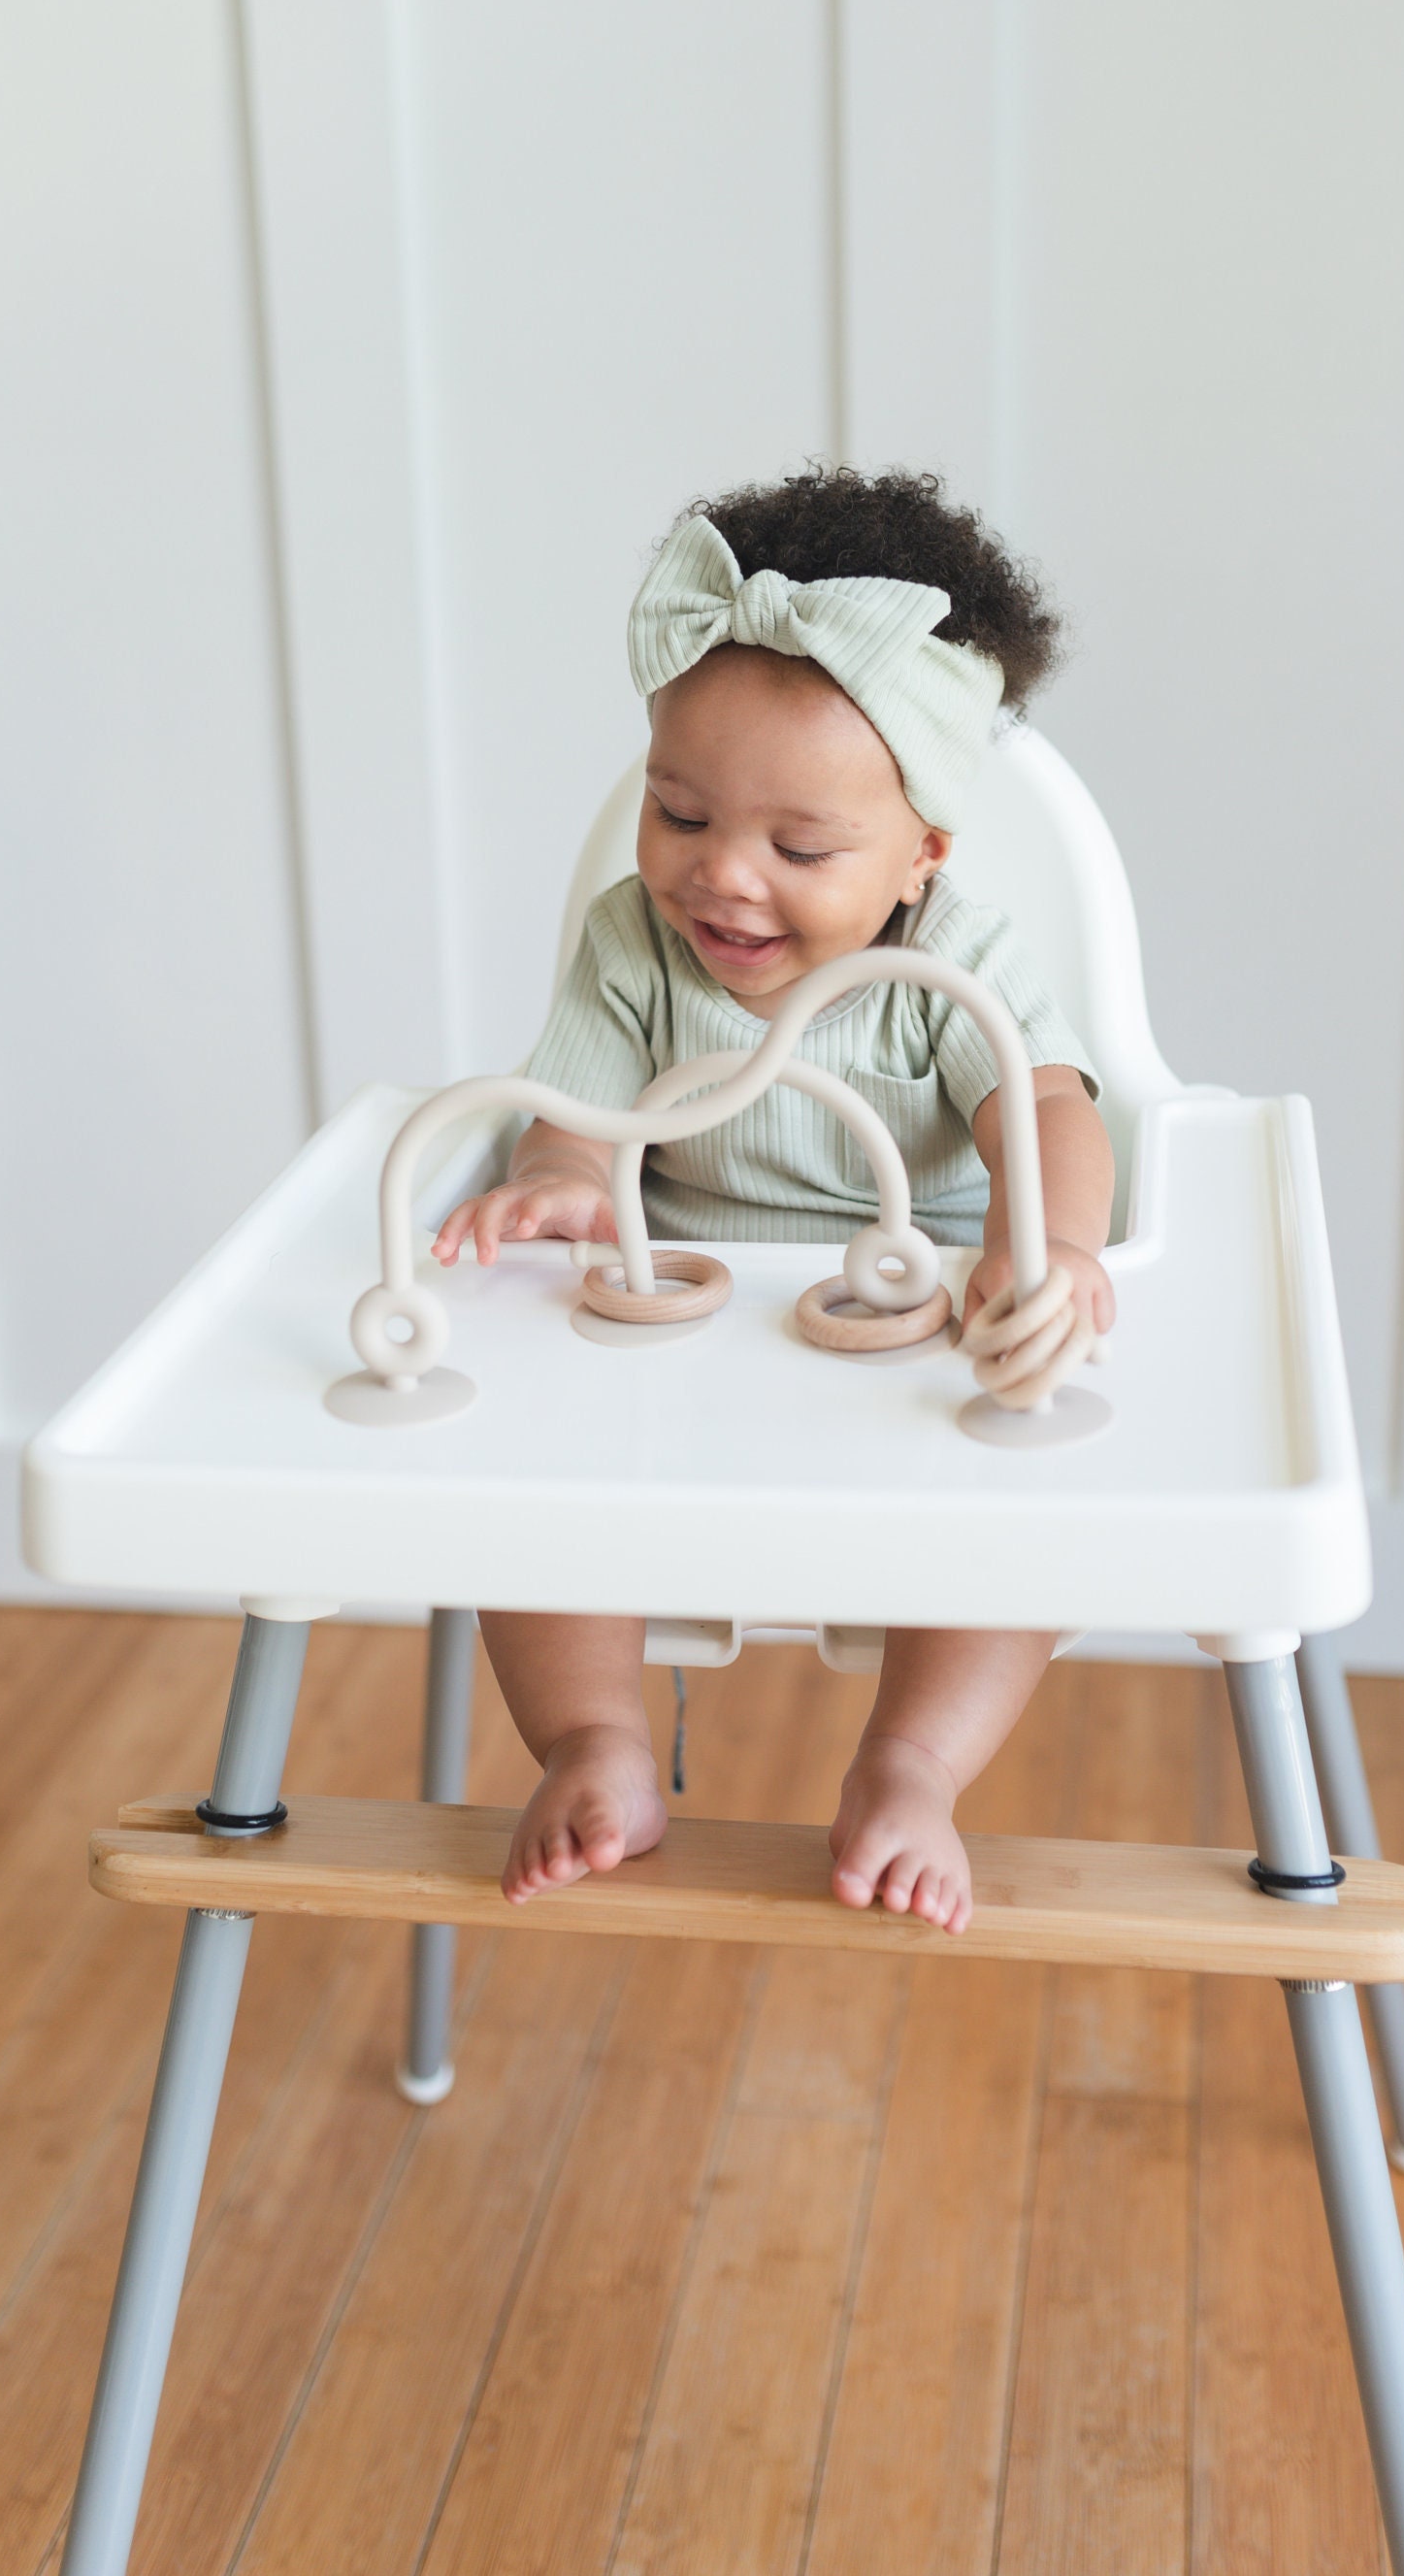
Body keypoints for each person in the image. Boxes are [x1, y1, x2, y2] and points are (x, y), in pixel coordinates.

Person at [435, 466, 1116, 1932]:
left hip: (909, 1332)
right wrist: (554, 1189)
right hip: (672, 1337)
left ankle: (915, 1765)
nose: (723, 879)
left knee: (1031, 1511)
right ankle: (596, 1743)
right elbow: (568, 1121)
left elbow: (1050, 1112)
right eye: (679, 814)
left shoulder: (959, 968)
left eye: (800, 850)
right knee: (523, 1501)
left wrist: (1044, 1250)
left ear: (922, 855)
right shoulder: (637, 949)